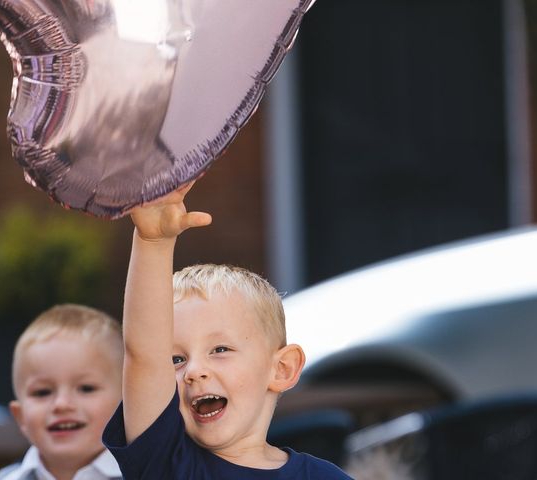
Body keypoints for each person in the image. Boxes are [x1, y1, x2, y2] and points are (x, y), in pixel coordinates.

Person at [103, 181, 353, 479]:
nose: (194, 371)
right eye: (175, 360)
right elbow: (144, 354)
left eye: (220, 350)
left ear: (282, 368)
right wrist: (153, 242)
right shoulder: (167, 463)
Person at [0, 304, 123, 480]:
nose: (61, 404)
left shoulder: (146, 474)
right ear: (20, 416)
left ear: (127, 405)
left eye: (86, 388)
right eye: (42, 392)